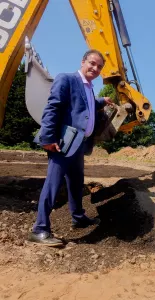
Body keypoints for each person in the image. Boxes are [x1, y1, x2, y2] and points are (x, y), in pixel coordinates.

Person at [28, 50, 113, 246]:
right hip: (63, 143)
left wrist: (102, 102)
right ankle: (40, 229)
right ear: (83, 61)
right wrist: (48, 138)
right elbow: (53, 107)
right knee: (53, 184)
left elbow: (85, 105)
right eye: (92, 63)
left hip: (79, 144)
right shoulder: (66, 79)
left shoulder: (89, 88)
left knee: (76, 183)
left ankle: (78, 217)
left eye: (99, 67)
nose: (95, 68)